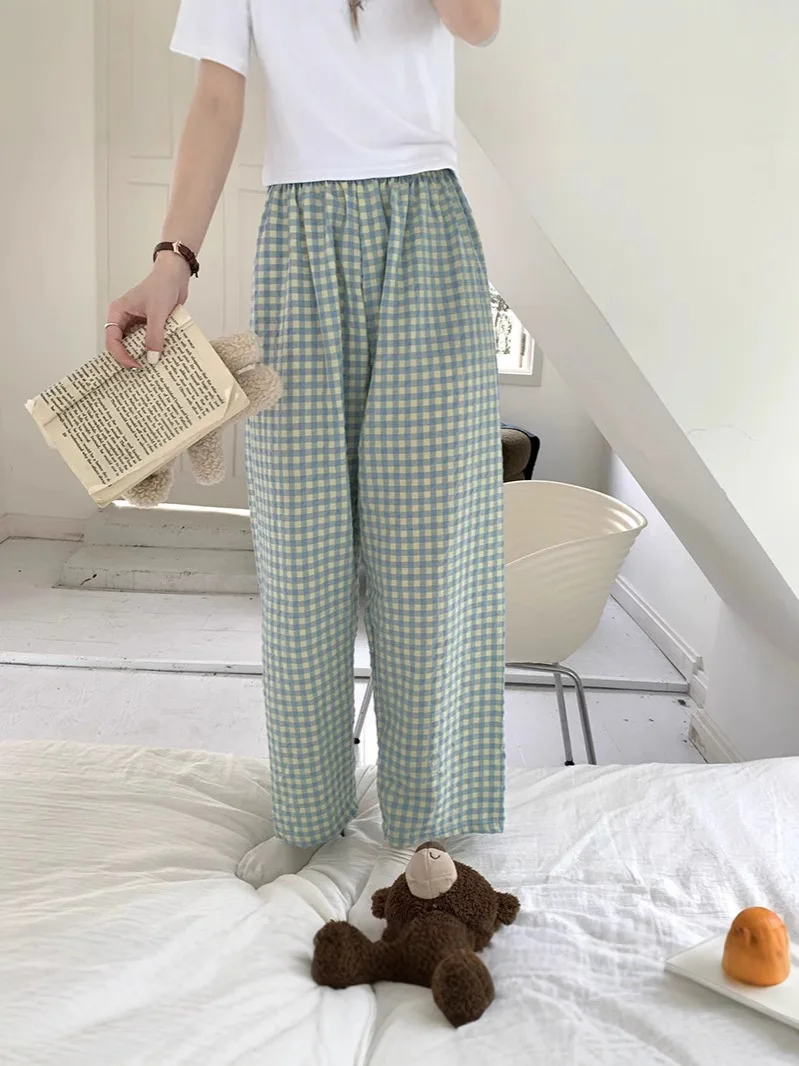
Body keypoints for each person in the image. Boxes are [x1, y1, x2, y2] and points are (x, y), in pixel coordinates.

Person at [105, 0, 505, 887]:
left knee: (430, 544)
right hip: (299, 233)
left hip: (425, 225)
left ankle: (431, 812)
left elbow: (478, 23)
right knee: (301, 547)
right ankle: (308, 807)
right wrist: (172, 260)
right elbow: (217, 98)